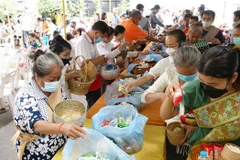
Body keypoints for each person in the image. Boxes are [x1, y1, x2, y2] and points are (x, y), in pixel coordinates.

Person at [162, 46, 240, 159]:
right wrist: (169, 97)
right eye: (202, 81)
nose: (206, 87)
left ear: (233, 77)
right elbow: (166, 115)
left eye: (213, 84)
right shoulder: (197, 89)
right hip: (202, 152)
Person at [13, 52, 86, 160]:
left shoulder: (57, 89)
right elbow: (37, 124)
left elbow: (65, 108)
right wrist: (62, 128)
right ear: (38, 77)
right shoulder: (25, 96)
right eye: (51, 79)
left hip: (61, 147)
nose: (56, 82)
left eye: (58, 78)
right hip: (39, 153)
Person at [75, 21, 109, 108]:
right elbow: (86, 63)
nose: (100, 39)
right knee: (92, 103)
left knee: (96, 101)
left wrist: (102, 60)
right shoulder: (83, 42)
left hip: (94, 76)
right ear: (96, 32)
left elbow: (96, 58)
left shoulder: (92, 42)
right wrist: (101, 59)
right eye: (101, 36)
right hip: (86, 78)